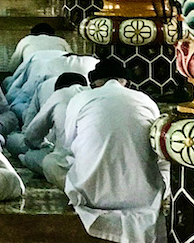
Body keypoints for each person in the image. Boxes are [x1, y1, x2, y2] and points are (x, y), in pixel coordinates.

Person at [62, 60, 167, 243]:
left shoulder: (80, 99)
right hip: (143, 196)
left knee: (51, 162)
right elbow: (157, 147)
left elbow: (67, 145)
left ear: (95, 83)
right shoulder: (145, 100)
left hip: (92, 197)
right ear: (125, 82)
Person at [16, 72, 87, 182]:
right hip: (102, 164)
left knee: (33, 155)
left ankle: (25, 158)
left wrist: (42, 145)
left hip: (69, 165)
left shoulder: (59, 95)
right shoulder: (95, 97)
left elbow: (31, 135)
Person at [6, 23, 71, 72]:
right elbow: (72, 59)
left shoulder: (26, 40)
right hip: (58, 72)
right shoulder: (61, 41)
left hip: (32, 72)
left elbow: (13, 65)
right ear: (53, 34)